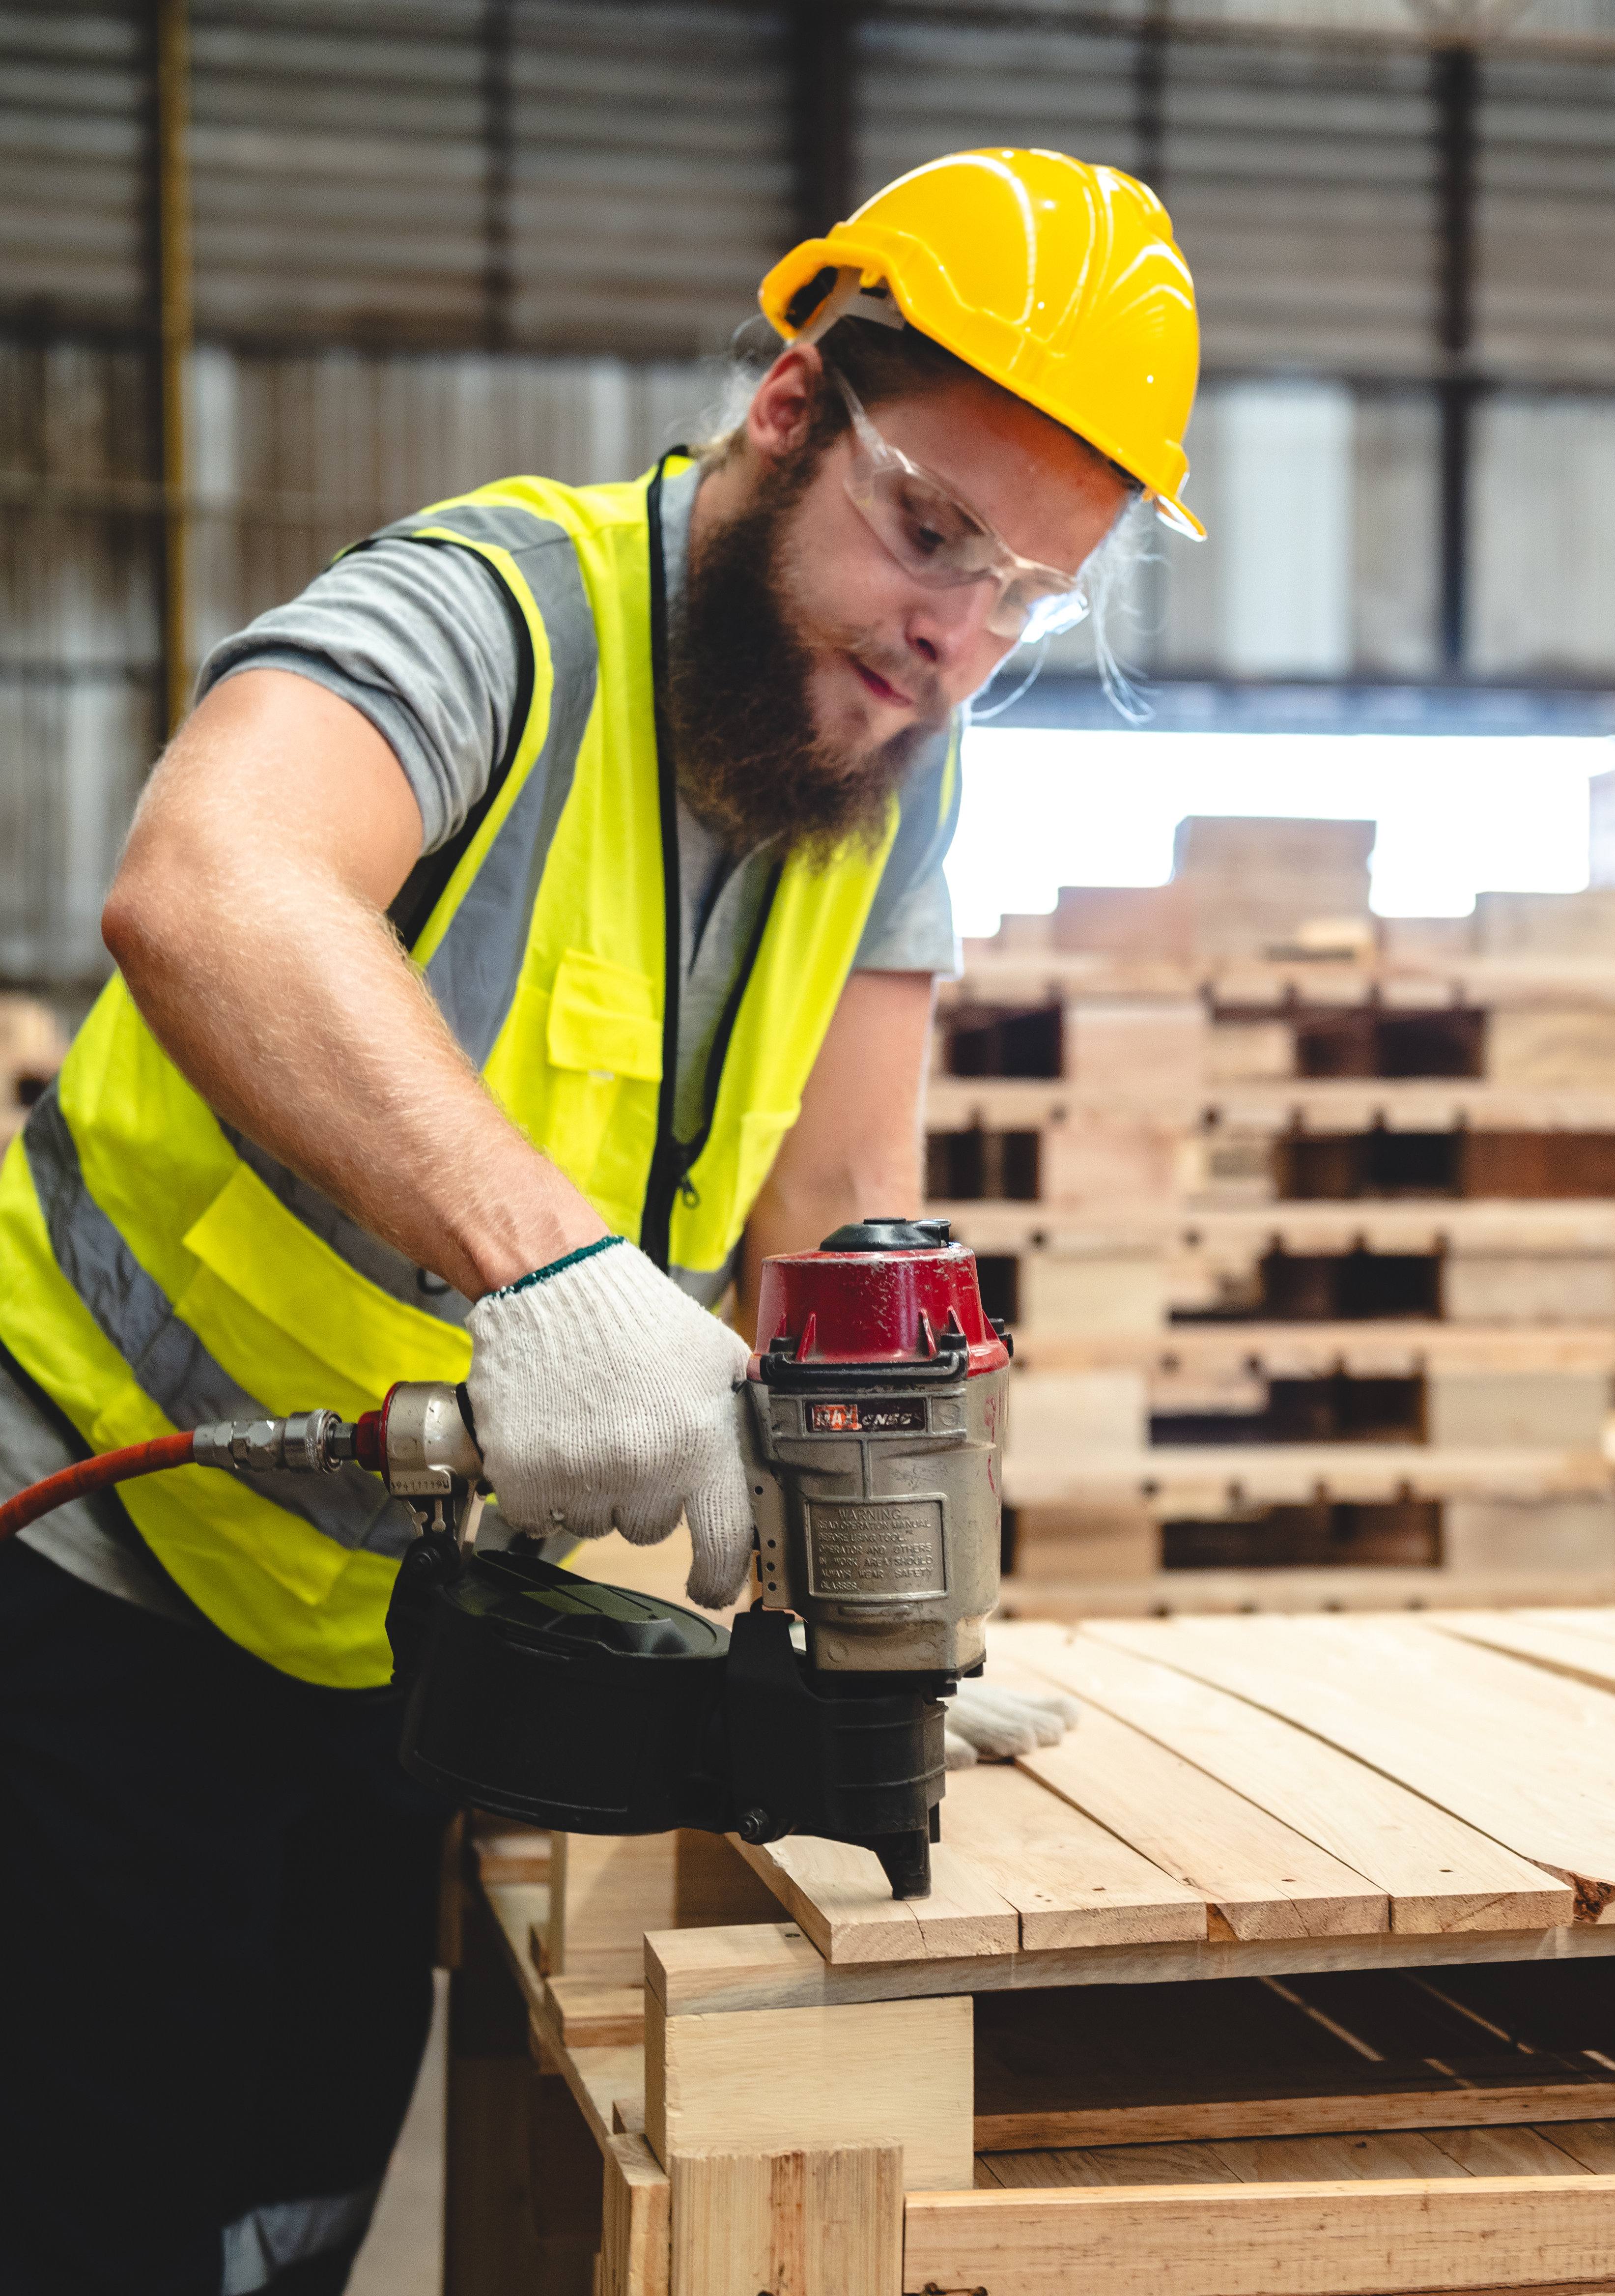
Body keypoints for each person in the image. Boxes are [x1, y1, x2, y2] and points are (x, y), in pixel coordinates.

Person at [0, 148, 1202, 2294]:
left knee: (291, 2209)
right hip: (93, 1567)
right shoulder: (495, 612)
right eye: (930, 531)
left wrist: (887, 1601)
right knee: (91, 2215)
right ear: (785, 410)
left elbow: (840, 1212)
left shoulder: (890, 765)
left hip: (399, 1633)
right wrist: (545, 1266)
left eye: (1027, 595)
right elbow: (212, 884)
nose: (953, 634)